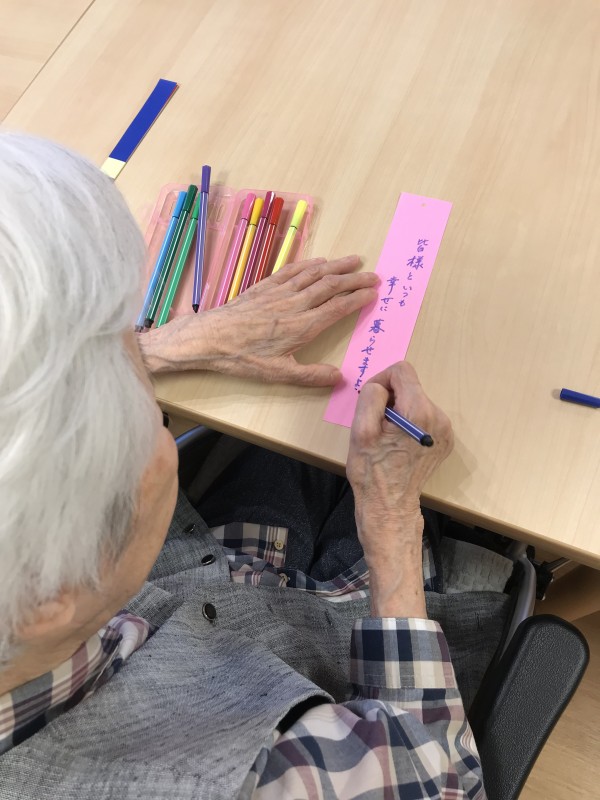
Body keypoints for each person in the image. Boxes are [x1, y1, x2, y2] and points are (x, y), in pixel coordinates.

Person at [0, 132, 486, 799]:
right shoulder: (230, 783)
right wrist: (392, 520)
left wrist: (174, 345)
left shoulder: (29, 588)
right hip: (336, 689)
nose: (149, 403)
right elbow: (437, 783)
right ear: (53, 593)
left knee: (295, 441)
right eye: (142, 413)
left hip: (206, 585)